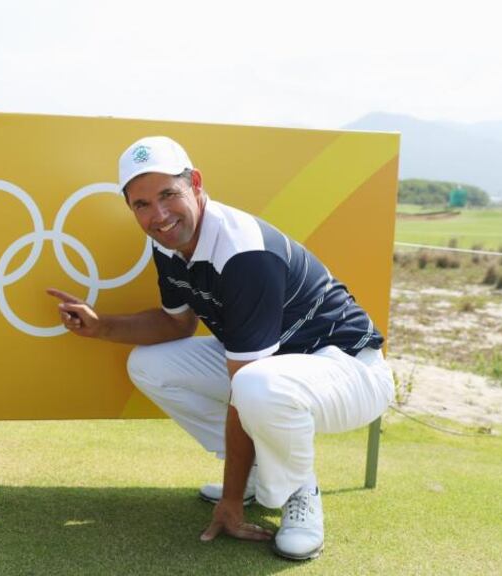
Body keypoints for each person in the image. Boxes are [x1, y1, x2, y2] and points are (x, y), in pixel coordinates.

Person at [46, 136, 393, 560]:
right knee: (150, 364)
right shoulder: (167, 242)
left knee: (253, 387)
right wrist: (103, 327)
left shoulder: (243, 251)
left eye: (168, 195)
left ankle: (299, 492)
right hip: (278, 369)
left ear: (195, 182)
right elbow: (178, 322)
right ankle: (257, 476)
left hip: (350, 371)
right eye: (142, 204)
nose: (158, 215)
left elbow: (241, 388)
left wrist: (227, 503)